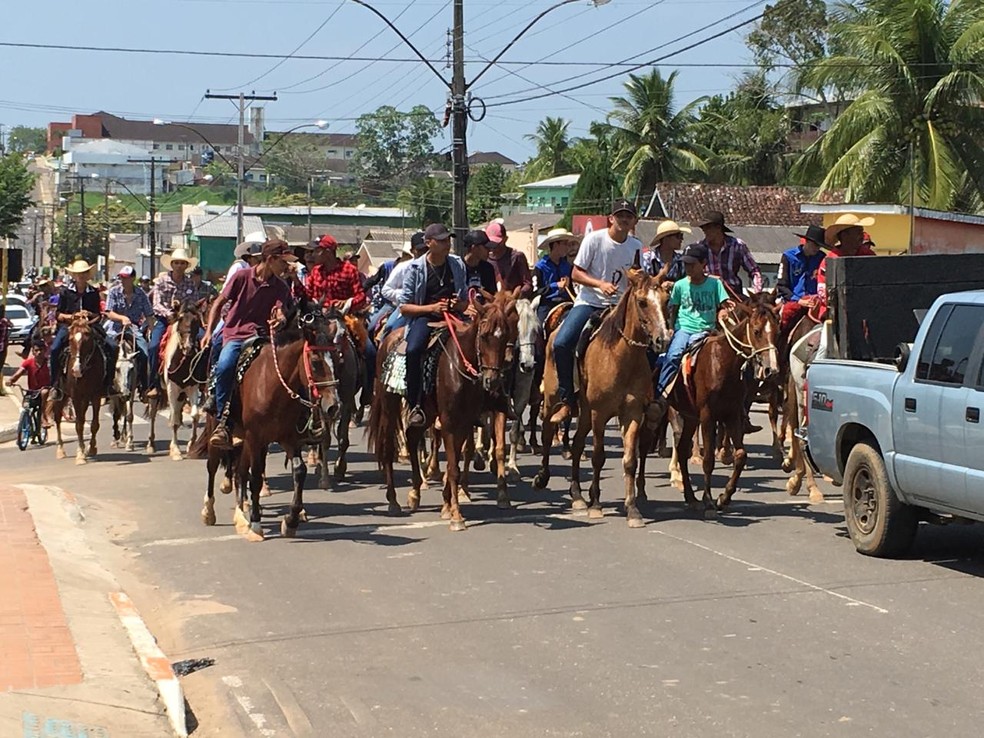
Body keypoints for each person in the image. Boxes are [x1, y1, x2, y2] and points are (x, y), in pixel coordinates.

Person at [549, 199, 643, 423]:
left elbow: (640, 277)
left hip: (622, 306)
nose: (624, 219)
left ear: (633, 221)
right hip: (591, 301)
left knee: (650, 344)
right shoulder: (594, 240)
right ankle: (566, 399)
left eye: (628, 216)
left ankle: (648, 396)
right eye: (620, 215)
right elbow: (576, 274)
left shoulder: (636, 246)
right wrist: (600, 284)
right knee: (562, 342)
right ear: (611, 218)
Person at [201, 240, 297, 450]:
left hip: (262, 336)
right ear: (270, 259)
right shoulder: (241, 277)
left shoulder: (281, 286)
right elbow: (219, 303)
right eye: (283, 262)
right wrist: (209, 331)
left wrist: (280, 319)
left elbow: (281, 310)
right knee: (226, 365)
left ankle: (295, 422)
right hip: (236, 334)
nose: (287, 267)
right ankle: (223, 422)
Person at [399, 223, 468, 428]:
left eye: (448, 240)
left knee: (481, 342)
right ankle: (415, 404)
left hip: (453, 316)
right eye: (442, 241)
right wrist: (431, 308)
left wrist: (459, 304)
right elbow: (404, 307)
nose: (447, 244)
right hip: (425, 317)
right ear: (428, 243)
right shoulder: (414, 269)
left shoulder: (456, 264)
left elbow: (464, 301)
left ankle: (482, 402)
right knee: (413, 350)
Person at [653, 244, 732, 412]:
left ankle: (734, 401)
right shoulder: (680, 285)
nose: (688, 268)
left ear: (703, 264)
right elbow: (673, 308)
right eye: (686, 264)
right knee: (673, 355)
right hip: (684, 328)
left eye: (692, 264)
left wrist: (723, 311)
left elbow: (724, 304)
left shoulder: (714, 284)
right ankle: (659, 394)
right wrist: (671, 327)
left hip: (706, 330)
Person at [304, 233, 376, 397]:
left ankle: (367, 392)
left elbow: (361, 297)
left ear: (328, 252)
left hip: (346, 318)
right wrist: (295, 280)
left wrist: (347, 302)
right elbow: (308, 296)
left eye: (317, 250)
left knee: (371, 351)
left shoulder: (349, 270)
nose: (313, 254)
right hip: (320, 321)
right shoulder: (315, 272)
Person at [48, 259, 114, 396]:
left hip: (90, 327)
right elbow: (58, 314)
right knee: (54, 350)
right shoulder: (66, 292)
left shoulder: (93, 292)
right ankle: (55, 385)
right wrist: (72, 317)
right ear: (74, 275)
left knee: (112, 347)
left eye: (84, 273)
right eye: (78, 273)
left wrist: (89, 315)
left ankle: (109, 384)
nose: (81, 276)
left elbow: (98, 315)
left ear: (88, 274)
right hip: (69, 327)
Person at [147, 248, 198, 398]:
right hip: (165, 320)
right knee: (154, 346)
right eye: (176, 263)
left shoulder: (190, 283)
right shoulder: (161, 281)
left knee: (203, 341)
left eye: (182, 263)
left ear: (186, 266)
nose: (179, 266)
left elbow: (194, 303)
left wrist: (185, 313)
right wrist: (169, 313)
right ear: (172, 264)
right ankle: (154, 384)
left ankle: (201, 380)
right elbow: (156, 304)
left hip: (185, 320)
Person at [815, 213, 877, 321]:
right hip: (835, 312)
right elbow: (823, 292)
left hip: (866, 309)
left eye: (861, 232)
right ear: (844, 235)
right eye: (858, 232)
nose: (862, 236)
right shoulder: (829, 261)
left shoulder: (868, 255)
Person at [104, 265, 154, 395]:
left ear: (133, 278)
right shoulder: (114, 291)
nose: (122, 280)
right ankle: (107, 384)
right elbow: (109, 312)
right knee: (107, 350)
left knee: (144, 352)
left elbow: (149, 314)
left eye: (126, 278)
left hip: (133, 329)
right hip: (115, 328)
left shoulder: (141, 294)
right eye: (121, 277)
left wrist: (152, 330)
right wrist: (121, 318)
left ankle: (144, 386)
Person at [694, 210, 762, 297]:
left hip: (732, 293)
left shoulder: (737, 245)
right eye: (703, 227)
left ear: (718, 228)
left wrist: (757, 293)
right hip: (707, 293)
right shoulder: (698, 248)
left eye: (708, 227)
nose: (704, 230)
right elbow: (692, 273)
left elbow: (754, 270)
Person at [776, 224, 826, 334]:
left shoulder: (822, 258)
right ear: (806, 241)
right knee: (781, 326)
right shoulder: (788, 256)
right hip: (793, 300)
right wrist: (799, 300)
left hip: (815, 302)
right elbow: (781, 285)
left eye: (819, 246)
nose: (817, 248)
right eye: (814, 245)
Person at [380, 231, 427, 335]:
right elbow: (386, 290)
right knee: (390, 327)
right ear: (412, 251)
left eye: (426, 250)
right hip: (406, 308)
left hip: (430, 308)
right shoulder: (403, 267)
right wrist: (404, 294)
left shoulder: (435, 267)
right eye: (420, 250)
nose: (424, 253)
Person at [532, 228, 577, 325]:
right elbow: (535, 291)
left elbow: (571, 289)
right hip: (548, 303)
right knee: (538, 329)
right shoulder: (540, 267)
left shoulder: (567, 266)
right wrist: (555, 285)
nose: (567, 248)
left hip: (567, 301)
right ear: (556, 245)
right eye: (564, 244)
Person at [367, 242, 414, 332]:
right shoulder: (388, 266)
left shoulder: (421, 267)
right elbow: (373, 280)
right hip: (392, 304)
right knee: (377, 327)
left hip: (417, 306)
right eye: (406, 254)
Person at [7, 340, 52, 427]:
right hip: (32, 392)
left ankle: (44, 416)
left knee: (44, 392)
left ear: (45, 350)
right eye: (36, 350)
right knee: (26, 405)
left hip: (46, 391)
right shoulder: (28, 362)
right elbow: (19, 373)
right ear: (33, 352)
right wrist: (11, 380)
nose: (39, 352)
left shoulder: (49, 363)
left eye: (41, 350)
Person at [485, 221, 532, 297]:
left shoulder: (517, 257)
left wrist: (517, 295)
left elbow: (528, 284)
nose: (494, 246)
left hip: (514, 302)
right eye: (491, 243)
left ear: (505, 239)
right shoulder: (486, 260)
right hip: (493, 303)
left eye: (497, 243)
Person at [462, 229, 497, 295]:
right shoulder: (458, 268)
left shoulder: (488, 268)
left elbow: (492, 295)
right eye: (486, 248)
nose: (489, 251)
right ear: (474, 248)